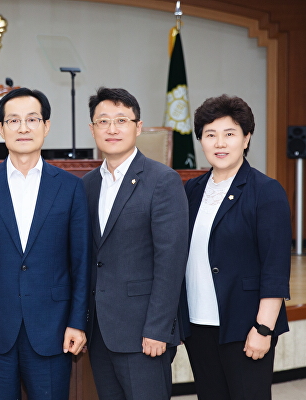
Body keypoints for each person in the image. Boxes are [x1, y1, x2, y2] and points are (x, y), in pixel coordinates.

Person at [0, 87, 91, 400]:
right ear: (0, 128)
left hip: (54, 329)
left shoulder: (71, 186)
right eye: (13, 120)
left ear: (46, 126)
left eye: (32, 120)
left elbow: (81, 262)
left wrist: (77, 322)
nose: (23, 128)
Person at [179, 95, 291, 400]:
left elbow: (275, 268)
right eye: (210, 134)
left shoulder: (265, 191)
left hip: (245, 326)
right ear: (200, 139)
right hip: (199, 325)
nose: (220, 143)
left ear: (246, 138)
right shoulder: (192, 189)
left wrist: (264, 329)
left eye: (230, 134)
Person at [82, 87, 189, 400]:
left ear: (138, 127)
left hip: (144, 333)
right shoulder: (87, 185)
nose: (112, 129)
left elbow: (171, 261)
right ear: (92, 129)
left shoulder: (162, 180)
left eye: (121, 120)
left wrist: (158, 329)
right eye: (103, 122)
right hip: (99, 332)